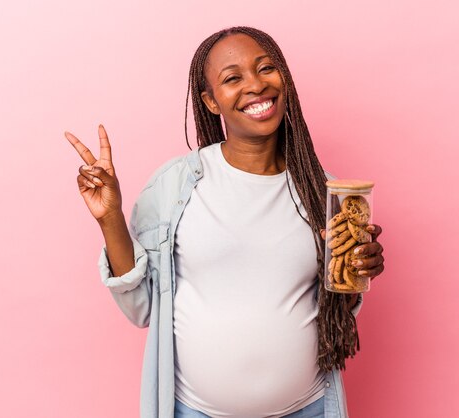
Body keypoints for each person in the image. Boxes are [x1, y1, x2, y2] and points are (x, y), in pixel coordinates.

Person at [65, 26, 384, 418]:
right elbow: (141, 309)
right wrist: (110, 218)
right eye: (232, 78)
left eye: (266, 68)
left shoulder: (325, 193)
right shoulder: (174, 187)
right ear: (211, 101)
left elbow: (337, 311)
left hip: (310, 408)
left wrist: (356, 270)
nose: (255, 85)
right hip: (195, 411)